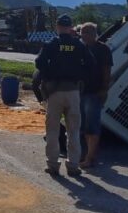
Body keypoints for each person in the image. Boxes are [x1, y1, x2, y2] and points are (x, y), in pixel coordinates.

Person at [35, 14, 94, 177]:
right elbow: (90, 64)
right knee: (74, 131)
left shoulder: (51, 44)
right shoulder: (79, 45)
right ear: (71, 27)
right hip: (73, 92)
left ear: (57, 27)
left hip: (55, 92)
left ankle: (53, 165)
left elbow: (39, 63)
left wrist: (49, 76)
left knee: (53, 130)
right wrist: (80, 76)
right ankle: (73, 165)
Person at [78, 22, 113, 169]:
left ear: (94, 33)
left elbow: (107, 71)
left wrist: (104, 89)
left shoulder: (103, 49)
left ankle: (90, 158)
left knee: (92, 126)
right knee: (83, 126)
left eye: (87, 32)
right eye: (82, 32)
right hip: (80, 92)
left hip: (94, 93)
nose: (84, 35)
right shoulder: (81, 49)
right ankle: (87, 155)